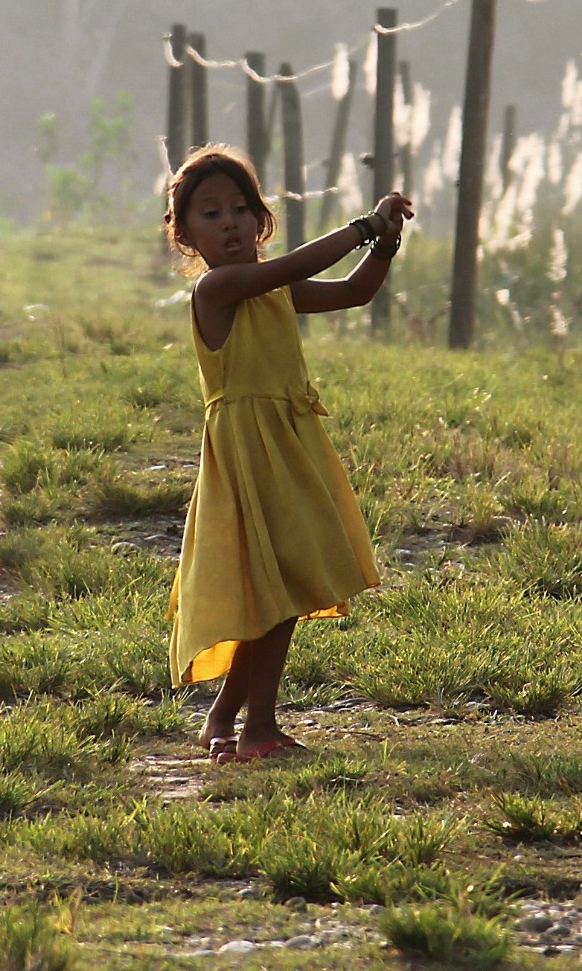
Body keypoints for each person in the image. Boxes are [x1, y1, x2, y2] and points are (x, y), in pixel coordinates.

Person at [161, 143, 413, 763]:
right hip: (248, 452)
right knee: (280, 590)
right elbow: (295, 264)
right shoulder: (219, 289)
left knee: (286, 583)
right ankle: (259, 731)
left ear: (261, 218)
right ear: (185, 235)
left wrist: (385, 242)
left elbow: (354, 292)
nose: (230, 224)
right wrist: (362, 225)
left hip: (286, 443)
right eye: (210, 214)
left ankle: (225, 720)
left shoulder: (271, 288)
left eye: (241, 209)